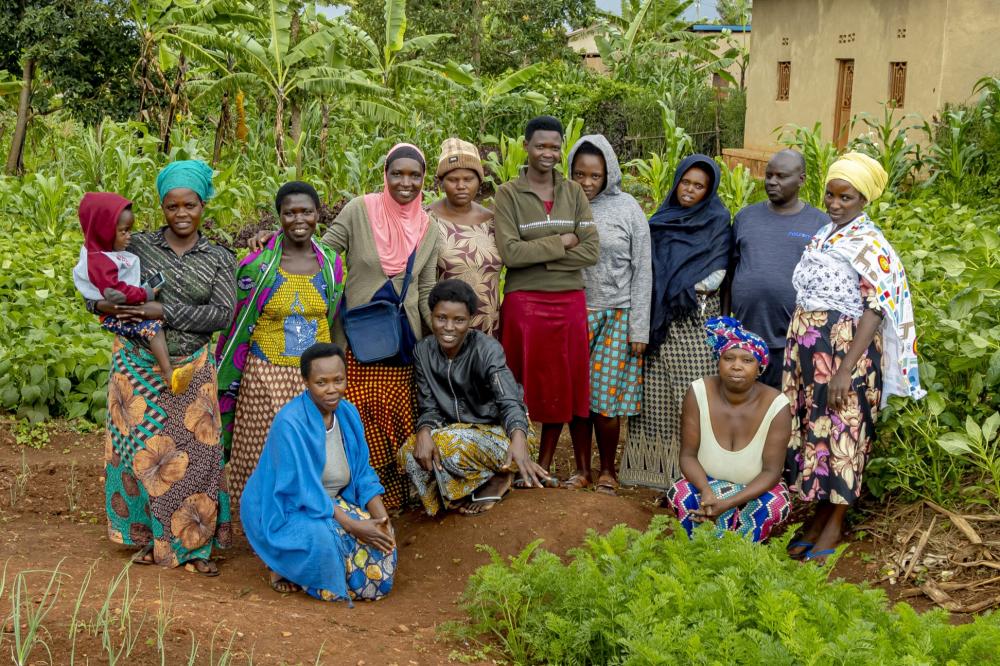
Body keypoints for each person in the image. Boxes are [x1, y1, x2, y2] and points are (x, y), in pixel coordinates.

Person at [88, 160, 235, 575]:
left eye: (190, 204)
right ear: (162, 207)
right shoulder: (136, 247)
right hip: (135, 368)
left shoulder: (219, 256)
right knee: (139, 454)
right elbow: (95, 287)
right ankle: (149, 538)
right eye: (172, 206)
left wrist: (161, 310)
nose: (182, 214)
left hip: (192, 369)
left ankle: (192, 545)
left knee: (199, 457)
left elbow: (222, 314)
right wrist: (104, 305)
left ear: (203, 204)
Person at [784, 152, 925, 563]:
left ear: (863, 200)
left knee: (844, 435)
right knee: (816, 433)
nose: (834, 203)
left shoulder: (869, 244)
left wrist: (845, 368)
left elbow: (876, 307)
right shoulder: (825, 235)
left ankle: (835, 523)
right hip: (809, 354)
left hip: (847, 356)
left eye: (845, 197)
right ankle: (818, 514)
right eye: (830, 195)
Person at [216, 181, 345, 499]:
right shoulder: (259, 267)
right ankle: (262, 522)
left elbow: (333, 318)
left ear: (318, 215)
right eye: (290, 213)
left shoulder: (331, 265)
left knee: (312, 451)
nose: (299, 219)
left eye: (307, 212)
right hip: (265, 376)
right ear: (279, 216)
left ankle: (307, 517)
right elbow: (238, 324)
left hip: (315, 379)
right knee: (263, 451)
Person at [240, 343, 396, 601]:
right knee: (326, 538)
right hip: (287, 506)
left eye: (338, 380)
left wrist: (383, 521)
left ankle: (328, 570)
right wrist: (353, 525)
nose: (332, 389)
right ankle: (282, 567)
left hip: (331, 502)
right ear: (306, 382)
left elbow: (362, 473)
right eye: (321, 382)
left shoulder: (348, 413)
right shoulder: (289, 422)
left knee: (382, 540)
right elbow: (303, 489)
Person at [493, 115, 599, 486]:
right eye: (541, 146)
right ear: (527, 146)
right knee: (518, 379)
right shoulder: (508, 194)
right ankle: (512, 457)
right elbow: (510, 253)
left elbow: (591, 251)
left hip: (569, 301)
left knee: (559, 381)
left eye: (555, 147)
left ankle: (545, 462)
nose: (548, 153)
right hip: (524, 302)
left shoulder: (572, 192)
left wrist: (540, 252)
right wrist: (561, 241)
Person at [398, 280, 557, 516]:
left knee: (445, 444)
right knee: (410, 452)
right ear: (431, 316)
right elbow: (428, 406)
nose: (449, 327)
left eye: (458, 320)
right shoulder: (423, 351)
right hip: (460, 435)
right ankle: (472, 489)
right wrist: (423, 432)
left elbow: (509, 401)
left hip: (508, 436)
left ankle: (502, 476)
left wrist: (519, 439)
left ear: (471, 320)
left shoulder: (487, 349)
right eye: (441, 318)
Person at [622, 155, 732, 491]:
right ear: (677, 182)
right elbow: (644, 265)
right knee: (655, 394)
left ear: (708, 190)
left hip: (695, 319)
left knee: (694, 392)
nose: (690, 190)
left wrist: (682, 287)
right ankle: (653, 472)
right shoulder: (661, 220)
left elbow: (719, 271)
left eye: (699, 186)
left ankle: (700, 475)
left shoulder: (717, 221)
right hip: (660, 321)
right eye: (686, 182)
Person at [567, 135, 652, 495]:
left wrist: (639, 329)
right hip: (572, 312)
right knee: (576, 397)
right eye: (580, 174)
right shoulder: (562, 205)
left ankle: (607, 471)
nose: (587, 183)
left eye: (595, 176)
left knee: (605, 400)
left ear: (609, 174)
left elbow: (642, 268)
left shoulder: (628, 208)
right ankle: (582, 469)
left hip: (617, 313)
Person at [667, 317, 792, 542]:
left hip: (753, 490)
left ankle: (741, 553)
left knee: (775, 504)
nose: (736, 366)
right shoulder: (698, 391)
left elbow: (772, 472)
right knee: (681, 493)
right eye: (729, 358)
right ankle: (698, 551)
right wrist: (706, 491)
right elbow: (687, 456)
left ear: (760, 367)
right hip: (706, 484)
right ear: (718, 361)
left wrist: (728, 503)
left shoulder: (777, 405)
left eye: (747, 360)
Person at [721, 150, 827, 389]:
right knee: (743, 407)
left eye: (781, 176)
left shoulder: (819, 224)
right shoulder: (745, 218)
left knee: (783, 409)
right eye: (769, 175)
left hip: (794, 341)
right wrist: (728, 325)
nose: (772, 182)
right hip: (745, 340)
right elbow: (729, 274)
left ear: (801, 179)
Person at [73, 192, 185, 393]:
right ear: (104, 232)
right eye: (123, 231)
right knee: (153, 329)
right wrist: (145, 294)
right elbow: (118, 293)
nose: (128, 237)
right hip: (116, 316)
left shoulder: (104, 251)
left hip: (120, 309)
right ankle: (169, 374)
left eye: (129, 230)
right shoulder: (100, 261)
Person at [429, 138, 501, 336]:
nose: (461, 186)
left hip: (489, 330)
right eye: (453, 180)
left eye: (468, 179)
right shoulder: (428, 220)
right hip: (446, 332)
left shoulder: (492, 221)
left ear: (479, 180)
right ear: (442, 182)